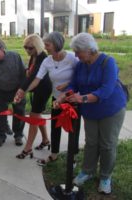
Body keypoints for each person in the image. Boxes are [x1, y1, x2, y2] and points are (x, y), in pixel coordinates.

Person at [54, 33, 126, 194]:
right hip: (90, 110)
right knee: (91, 142)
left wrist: (82, 98)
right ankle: (87, 171)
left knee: (107, 144)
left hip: (111, 109)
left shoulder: (108, 62)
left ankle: (105, 177)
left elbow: (106, 90)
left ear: (89, 50)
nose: (76, 55)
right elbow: (74, 83)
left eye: (78, 52)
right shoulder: (81, 64)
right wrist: (63, 96)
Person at [14, 32, 80, 164]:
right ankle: (54, 154)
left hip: (73, 100)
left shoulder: (72, 59)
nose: (45, 47)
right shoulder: (47, 61)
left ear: (57, 44)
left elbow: (80, 77)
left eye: (47, 44)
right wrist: (24, 91)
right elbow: (36, 79)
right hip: (56, 99)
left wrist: (67, 84)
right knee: (55, 128)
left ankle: (73, 156)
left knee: (73, 129)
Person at [14, 34, 52, 159]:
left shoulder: (42, 58)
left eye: (30, 48)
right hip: (36, 89)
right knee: (37, 115)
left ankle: (28, 147)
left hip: (43, 89)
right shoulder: (34, 56)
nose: (27, 50)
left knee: (33, 118)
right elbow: (29, 73)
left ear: (37, 46)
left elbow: (33, 77)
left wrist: (21, 90)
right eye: (25, 47)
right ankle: (46, 140)